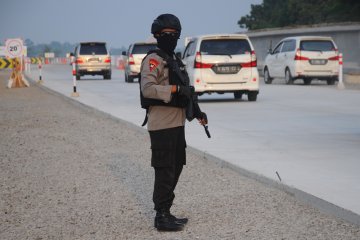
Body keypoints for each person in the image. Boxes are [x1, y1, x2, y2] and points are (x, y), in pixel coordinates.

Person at [140, 13, 208, 231]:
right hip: (161, 124)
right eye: (165, 34)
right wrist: (175, 89)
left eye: (173, 34)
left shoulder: (175, 60)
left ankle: (167, 210)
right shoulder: (153, 59)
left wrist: (198, 111)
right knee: (164, 169)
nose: (170, 37)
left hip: (178, 123)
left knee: (176, 167)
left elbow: (187, 91)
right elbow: (147, 89)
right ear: (157, 35)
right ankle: (160, 216)